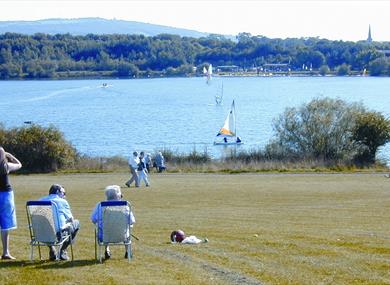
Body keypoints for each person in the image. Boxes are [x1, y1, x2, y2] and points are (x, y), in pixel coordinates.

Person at [91, 185, 135, 259]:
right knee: (127, 228)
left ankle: (106, 250)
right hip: (122, 235)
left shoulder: (100, 205)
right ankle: (128, 251)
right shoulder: (125, 206)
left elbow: (93, 219)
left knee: (105, 227)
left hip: (104, 236)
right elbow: (132, 221)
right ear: (119, 195)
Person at [40, 184, 80, 261]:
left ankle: (52, 249)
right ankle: (63, 251)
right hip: (58, 235)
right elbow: (71, 219)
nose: (64, 195)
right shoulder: (62, 202)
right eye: (63, 193)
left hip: (41, 234)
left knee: (47, 226)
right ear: (58, 191)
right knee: (76, 223)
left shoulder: (40, 200)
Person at [0, 147, 22, 260]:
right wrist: (9, 155)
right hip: (6, 195)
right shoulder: (6, 166)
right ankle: (5, 252)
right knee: (5, 226)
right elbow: (19, 164)